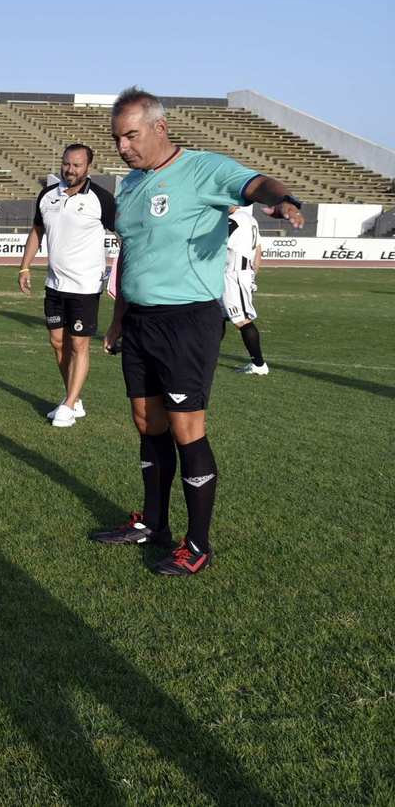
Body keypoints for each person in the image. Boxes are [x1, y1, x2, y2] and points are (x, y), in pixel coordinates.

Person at [93, 87, 305, 576]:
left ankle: (199, 543)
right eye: (117, 138)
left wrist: (284, 200)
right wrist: (120, 319)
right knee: (148, 425)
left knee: (187, 429)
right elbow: (131, 254)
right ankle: (154, 524)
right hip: (141, 321)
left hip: (188, 320)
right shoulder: (128, 185)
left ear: (159, 127)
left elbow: (258, 184)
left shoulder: (203, 168)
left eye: (130, 135)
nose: (122, 146)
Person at [18, 144, 119, 427]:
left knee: (78, 345)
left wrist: (123, 270)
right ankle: (73, 399)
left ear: (88, 167)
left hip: (86, 286)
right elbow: (38, 232)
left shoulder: (102, 198)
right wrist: (25, 266)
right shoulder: (47, 195)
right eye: (66, 164)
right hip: (54, 285)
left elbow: (121, 234)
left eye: (76, 165)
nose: (70, 170)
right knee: (57, 342)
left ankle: (69, 404)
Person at [223, 205, 268, 375]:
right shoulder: (250, 219)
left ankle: (259, 365)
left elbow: (218, 245)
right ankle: (205, 358)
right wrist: (252, 275)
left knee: (241, 319)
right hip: (235, 272)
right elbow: (258, 250)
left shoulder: (234, 219)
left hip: (233, 273)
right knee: (217, 316)